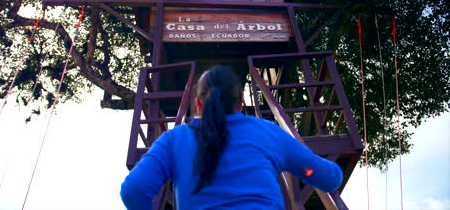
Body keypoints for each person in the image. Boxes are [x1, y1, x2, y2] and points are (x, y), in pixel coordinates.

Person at [120, 66, 343, 209]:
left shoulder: (174, 140)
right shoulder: (269, 132)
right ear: (240, 105)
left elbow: (133, 191)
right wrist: (325, 171)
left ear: (198, 104)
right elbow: (328, 178)